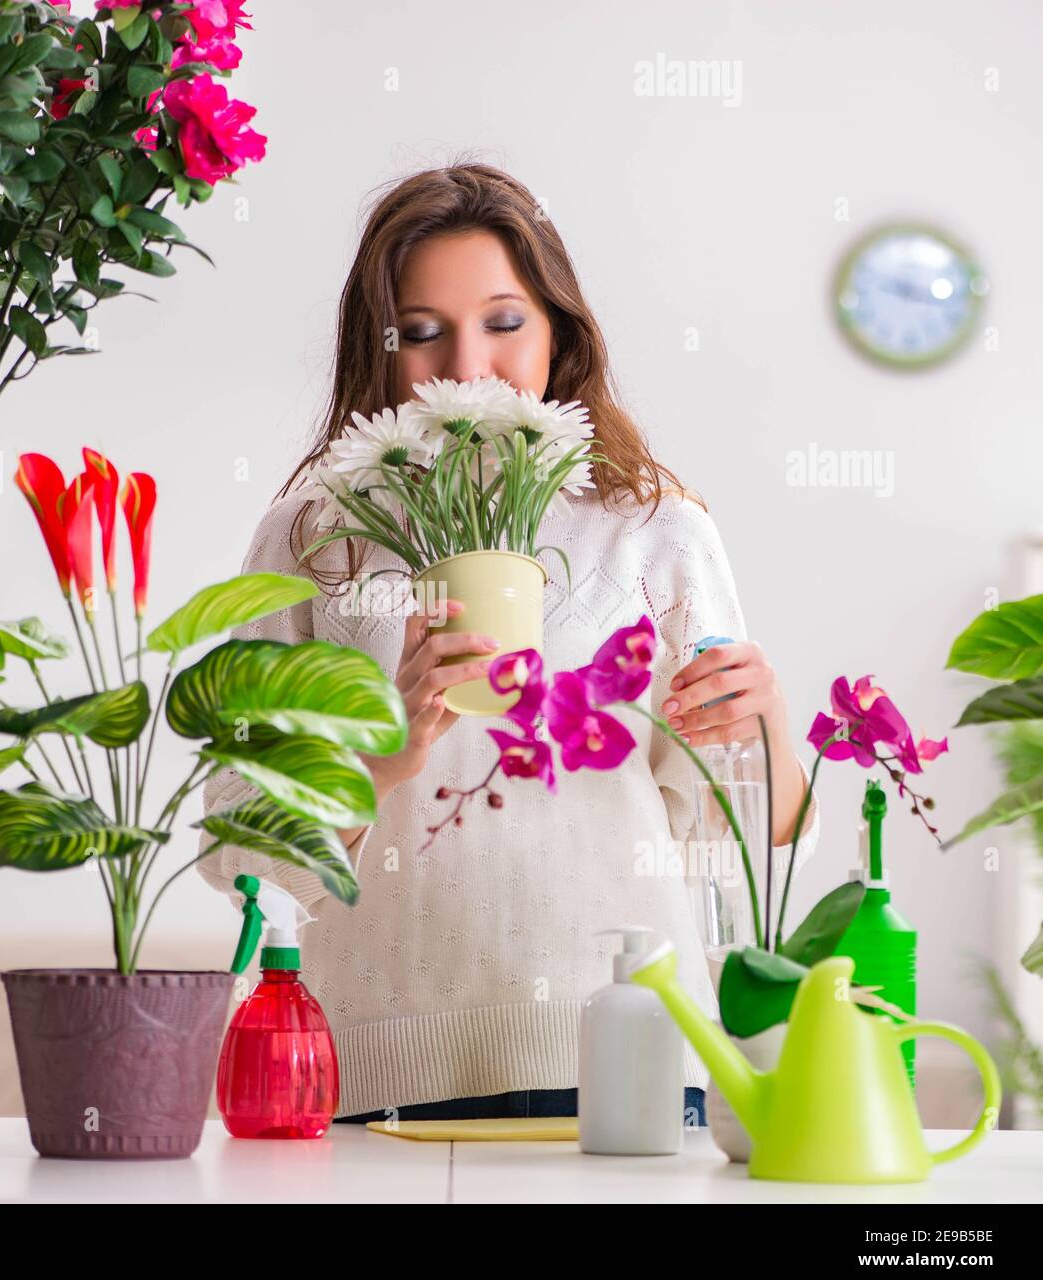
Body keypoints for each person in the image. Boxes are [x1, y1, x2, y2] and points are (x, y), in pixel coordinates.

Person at [195, 163, 819, 1127]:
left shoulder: (653, 527)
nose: (467, 367)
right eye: (421, 330)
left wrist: (768, 719)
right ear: (380, 342)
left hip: (631, 1051)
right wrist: (381, 760)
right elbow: (235, 843)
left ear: (561, 327)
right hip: (373, 1065)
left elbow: (741, 842)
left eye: (503, 320)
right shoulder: (313, 534)